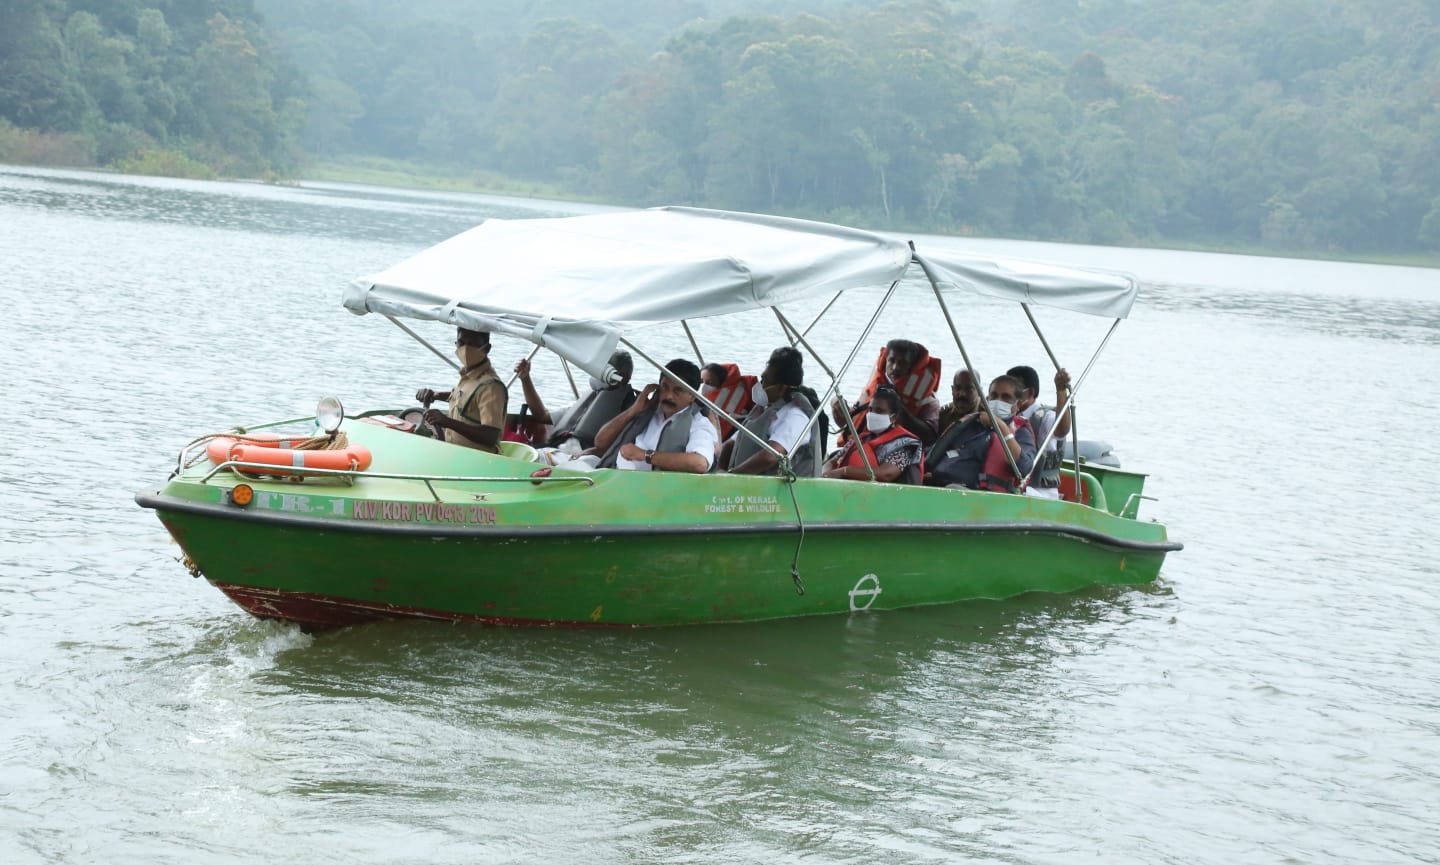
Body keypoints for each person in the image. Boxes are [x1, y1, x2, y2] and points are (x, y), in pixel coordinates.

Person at [594, 359, 718, 473]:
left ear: (692, 396)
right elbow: (600, 443)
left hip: (651, 488)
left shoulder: (699, 423)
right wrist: (633, 410)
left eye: (677, 391)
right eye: (665, 387)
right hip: (613, 474)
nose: (669, 396)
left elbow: (700, 463)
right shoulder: (647, 411)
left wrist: (645, 455)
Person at [723, 346, 825, 476]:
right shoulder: (763, 411)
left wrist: (733, 475)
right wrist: (721, 471)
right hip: (743, 488)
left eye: (764, 381)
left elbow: (770, 456)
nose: (760, 385)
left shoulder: (796, 416)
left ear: (781, 388)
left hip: (776, 494)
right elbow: (730, 444)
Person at [924, 374, 1035, 492]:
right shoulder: (971, 423)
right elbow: (936, 453)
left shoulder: (1021, 432)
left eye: (1006, 397)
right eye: (994, 396)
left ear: (1017, 405)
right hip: (939, 485)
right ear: (987, 399)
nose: (998, 401)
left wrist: (1002, 427)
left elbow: (1023, 468)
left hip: (976, 496)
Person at [513, 350, 637, 450]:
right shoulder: (588, 401)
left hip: (579, 458)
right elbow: (542, 416)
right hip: (554, 449)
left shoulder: (627, 412)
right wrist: (525, 378)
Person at [414, 327, 508, 453]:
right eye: (461, 343)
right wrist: (435, 395)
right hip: (455, 453)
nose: (466, 349)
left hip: (479, 460)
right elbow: (465, 398)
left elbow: (490, 435)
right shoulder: (467, 375)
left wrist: (447, 422)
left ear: (487, 348)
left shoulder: (491, 387)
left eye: (473, 344)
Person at [832, 338, 942, 446]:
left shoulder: (927, 400)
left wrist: (902, 412)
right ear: (885, 360)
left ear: (912, 366)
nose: (895, 367)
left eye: (903, 363)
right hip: (859, 447)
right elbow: (848, 422)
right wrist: (838, 407)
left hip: (896, 452)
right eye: (892, 360)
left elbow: (930, 438)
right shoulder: (873, 387)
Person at [822, 384, 923, 484]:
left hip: (884, 497)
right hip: (846, 491)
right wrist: (826, 473)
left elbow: (886, 474)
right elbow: (833, 461)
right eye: (870, 410)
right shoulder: (861, 438)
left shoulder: (904, 444)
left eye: (879, 411)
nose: (872, 414)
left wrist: (845, 471)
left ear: (894, 417)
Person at [1007, 365, 1073, 499]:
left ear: (1030, 393)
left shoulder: (1044, 417)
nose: (1010, 395)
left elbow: (1061, 430)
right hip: (1010, 486)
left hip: (1039, 493)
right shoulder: (1005, 415)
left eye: (1015, 391)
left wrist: (1061, 391)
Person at [699, 362, 755, 441]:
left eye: (710, 383)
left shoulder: (729, 398)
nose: (703, 386)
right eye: (701, 381)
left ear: (721, 384)